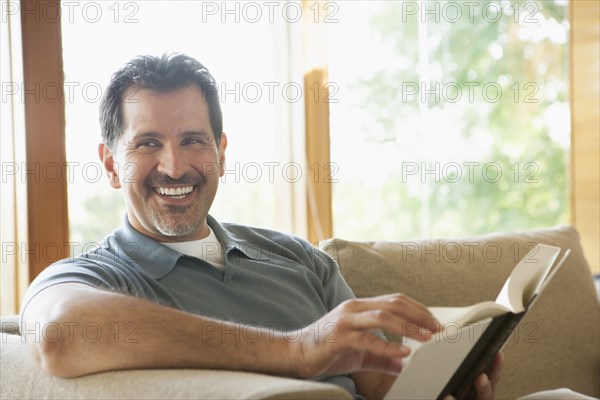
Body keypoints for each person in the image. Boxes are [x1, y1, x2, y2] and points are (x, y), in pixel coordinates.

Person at [20, 54, 502, 400]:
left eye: (193, 141)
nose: (173, 166)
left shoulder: (297, 257)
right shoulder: (99, 276)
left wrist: (448, 382)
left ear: (221, 153)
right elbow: (58, 333)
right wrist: (299, 350)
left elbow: (379, 382)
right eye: (147, 144)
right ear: (109, 164)